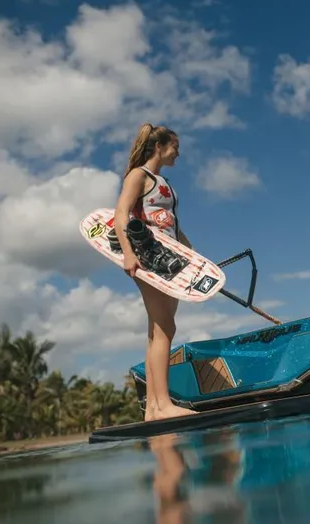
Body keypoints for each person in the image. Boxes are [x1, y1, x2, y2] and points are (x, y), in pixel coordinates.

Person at [113, 123, 197, 421]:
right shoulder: (139, 176)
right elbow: (120, 213)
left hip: (170, 260)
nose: (178, 153)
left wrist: (193, 255)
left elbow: (173, 226)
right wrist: (128, 253)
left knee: (156, 333)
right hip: (149, 258)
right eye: (175, 147)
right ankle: (162, 405)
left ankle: (152, 408)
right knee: (165, 329)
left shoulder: (163, 182)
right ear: (159, 146)